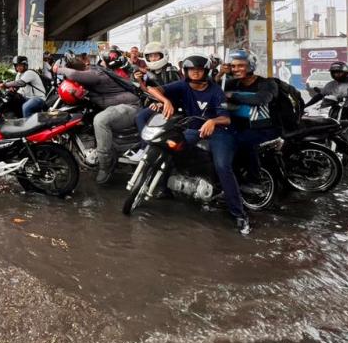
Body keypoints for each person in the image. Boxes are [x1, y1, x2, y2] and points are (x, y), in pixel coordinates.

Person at [149, 54, 249, 235]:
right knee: (170, 146)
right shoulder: (182, 85)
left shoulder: (216, 91)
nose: (195, 72)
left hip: (220, 132)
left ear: (206, 71)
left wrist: (212, 121)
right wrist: (165, 101)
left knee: (222, 166)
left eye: (199, 69)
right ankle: (164, 188)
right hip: (194, 129)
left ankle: (239, 213)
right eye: (191, 69)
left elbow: (225, 119)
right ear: (185, 72)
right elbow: (153, 89)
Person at [54, 52, 141, 184]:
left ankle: (105, 165)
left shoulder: (94, 73)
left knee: (101, 120)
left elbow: (73, 74)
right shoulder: (88, 77)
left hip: (130, 106)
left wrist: (58, 69)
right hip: (116, 107)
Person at [222, 49, 280, 184]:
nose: (236, 69)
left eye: (240, 65)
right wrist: (219, 74)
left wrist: (233, 95)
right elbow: (214, 89)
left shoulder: (266, 83)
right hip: (237, 125)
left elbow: (261, 99)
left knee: (243, 143)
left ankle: (254, 181)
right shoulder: (233, 83)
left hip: (263, 127)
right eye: (233, 66)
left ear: (250, 66)